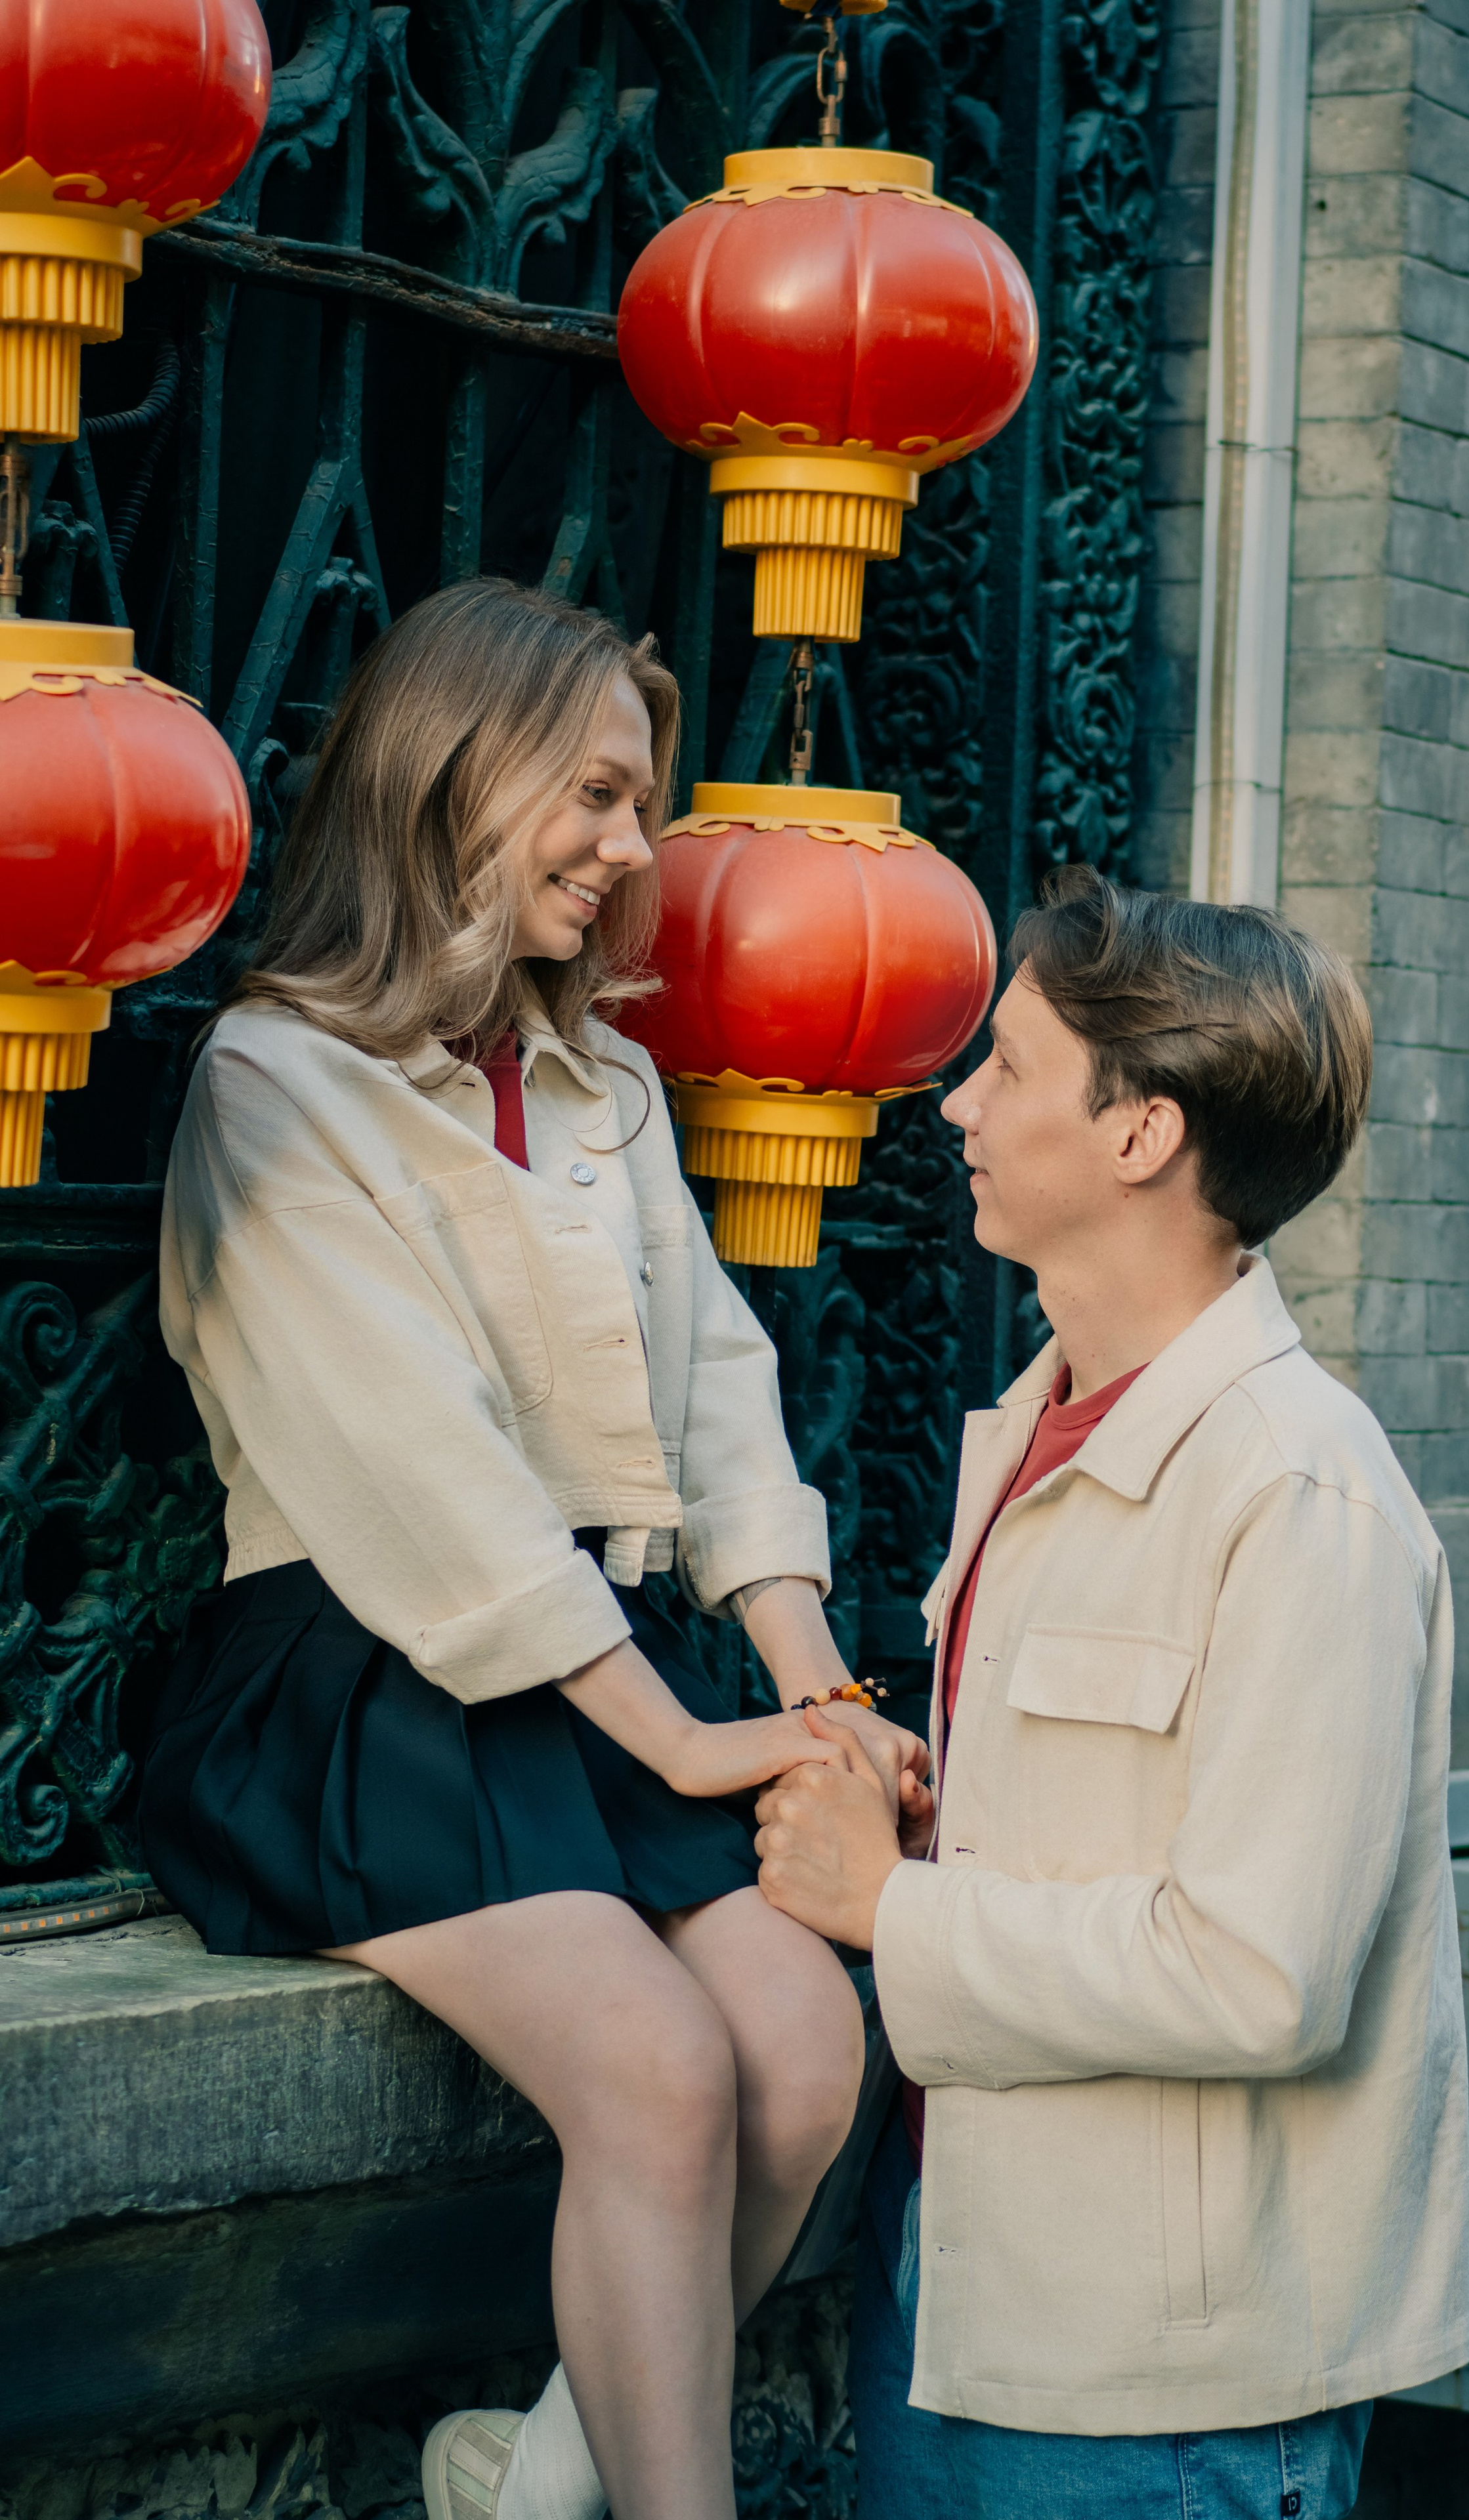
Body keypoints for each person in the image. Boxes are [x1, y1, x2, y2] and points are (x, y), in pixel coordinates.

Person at [139, 581, 926, 2520]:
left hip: (594, 1675)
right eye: (592, 795)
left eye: (642, 806)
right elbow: (420, 1477)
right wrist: (679, 1743)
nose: (628, 851)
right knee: (658, 2070)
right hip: (358, 1680)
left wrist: (811, 1685)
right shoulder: (274, 1082)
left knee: (806, 2049)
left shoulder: (610, 1086)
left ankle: (535, 2488)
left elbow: (722, 1396)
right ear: (458, 774)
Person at [757, 871, 1469, 2520]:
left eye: (1006, 1065)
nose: (958, 1105)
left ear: (1141, 1133)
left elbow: (1256, 1975)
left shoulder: (1301, 1491)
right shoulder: (1028, 1428)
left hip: (1169, 2394)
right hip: (954, 2300)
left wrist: (891, 1912)